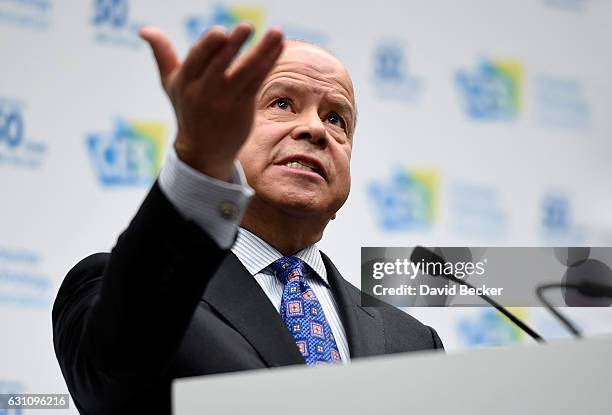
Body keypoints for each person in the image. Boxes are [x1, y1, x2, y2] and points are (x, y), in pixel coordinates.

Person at [52, 23, 443, 415]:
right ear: (229, 129)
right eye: (282, 104)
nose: (314, 128)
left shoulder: (413, 343)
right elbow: (111, 376)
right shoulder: (125, 290)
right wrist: (199, 161)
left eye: (336, 119)